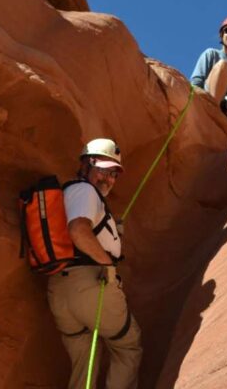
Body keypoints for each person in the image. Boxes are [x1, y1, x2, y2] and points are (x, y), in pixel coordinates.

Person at [47, 138, 142, 389]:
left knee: (85, 358)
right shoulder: (84, 191)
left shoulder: (71, 192)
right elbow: (78, 230)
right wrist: (107, 263)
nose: (108, 178)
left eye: (113, 174)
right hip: (89, 284)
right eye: (102, 169)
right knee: (128, 346)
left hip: (60, 290)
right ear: (87, 163)